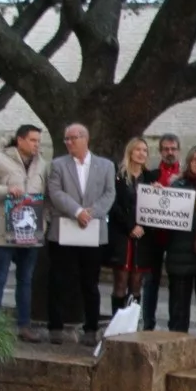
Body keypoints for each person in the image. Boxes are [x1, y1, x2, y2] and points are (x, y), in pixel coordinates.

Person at [0, 124, 48, 343]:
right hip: (4, 231)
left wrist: (47, 219)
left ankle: (24, 326)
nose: (37, 145)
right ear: (20, 140)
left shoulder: (42, 164)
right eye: (33, 140)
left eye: (38, 141)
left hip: (31, 231)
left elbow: (46, 195)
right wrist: (7, 191)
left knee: (25, 280)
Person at [44, 123, 116, 346]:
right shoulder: (57, 165)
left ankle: (91, 328)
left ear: (85, 138)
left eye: (72, 138)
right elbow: (55, 193)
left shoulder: (105, 165)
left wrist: (90, 213)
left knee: (90, 282)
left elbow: (109, 193)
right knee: (59, 280)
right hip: (63, 230)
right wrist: (77, 212)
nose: (68, 142)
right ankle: (56, 327)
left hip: (92, 231)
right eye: (66, 139)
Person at [165, 147, 196, 343]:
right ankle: (177, 335)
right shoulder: (178, 187)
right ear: (188, 163)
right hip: (180, 250)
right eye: (194, 159)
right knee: (179, 299)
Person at [105, 138, 152, 314]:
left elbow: (154, 208)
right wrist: (130, 225)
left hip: (143, 236)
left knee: (136, 283)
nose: (141, 153)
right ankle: (116, 324)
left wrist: (142, 226)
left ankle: (132, 323)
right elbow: (114, 204)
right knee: (120, 281)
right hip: (122, 235)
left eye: (145, 150)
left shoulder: (149, 177)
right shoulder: (118, 176)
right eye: (138, 149)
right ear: (130, 152)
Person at [140, 134, 180, 331]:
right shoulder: (150, 174)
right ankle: (148, 323)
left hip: (175, 237)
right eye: (166, 149)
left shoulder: (183, 176)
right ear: (160, 151)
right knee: (150, 281)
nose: (170, 152)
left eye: (173, 149)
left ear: (178, 151)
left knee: (176, 283)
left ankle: (175, 325)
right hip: (154, 235)